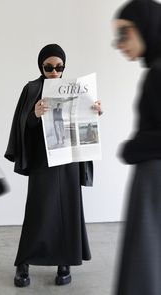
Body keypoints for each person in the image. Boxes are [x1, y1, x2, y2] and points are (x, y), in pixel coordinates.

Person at [5, 44, 102, 287]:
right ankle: (23, 263)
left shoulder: (74, 88)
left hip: (68, 160)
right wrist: (34, 115)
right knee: (38, 212)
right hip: (42, 160)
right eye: (48, 67)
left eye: (59, 67)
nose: (54, 72)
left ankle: (64, 262)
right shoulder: (32, 88)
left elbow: (81, 119)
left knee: (69, 210)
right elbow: (21, 123)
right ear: (41, 66)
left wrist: (95, 111)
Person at [113, 1, 161, 294]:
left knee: (146, 262)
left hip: (155, 180)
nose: (118, 44)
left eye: (123, 33)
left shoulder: (157, 72)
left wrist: (132, 148)